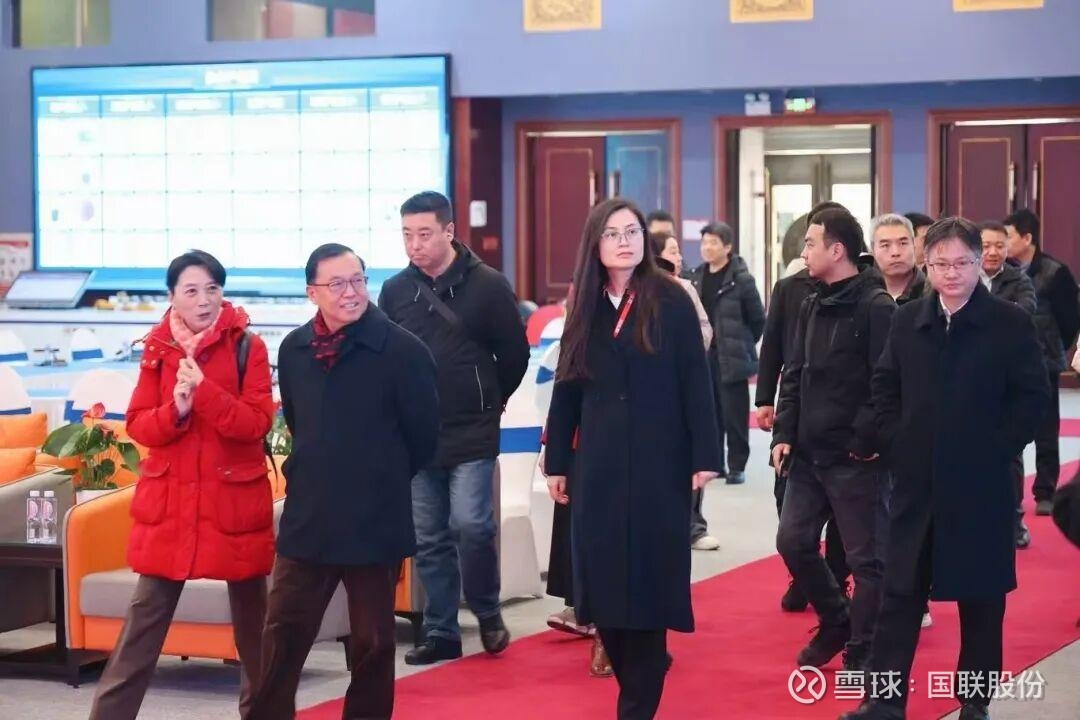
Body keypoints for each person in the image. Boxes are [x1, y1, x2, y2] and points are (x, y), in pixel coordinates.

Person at [842, 218, 1048, 720]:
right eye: (940, 264)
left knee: (982, 600)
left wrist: (995, 449)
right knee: (899, 594)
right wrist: (897, 442)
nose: (951, 273)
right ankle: (885, 700)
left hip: (982, 485)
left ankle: (974, 701)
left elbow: (1032, 401)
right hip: (916, 483)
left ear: (981, 263)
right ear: (926, 265)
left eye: (962, 263)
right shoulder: (908, 320)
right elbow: (884, 387)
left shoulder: (1009, 323)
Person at [244, 244, 439, 720]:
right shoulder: (295, 350)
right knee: (283, 633)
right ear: (312, 292)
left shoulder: (403, 351)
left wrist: (379, 474)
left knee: (373, 642)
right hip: (309, 514)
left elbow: (424, 437)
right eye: (336, 284)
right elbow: (299, 422)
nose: (350, 292)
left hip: (375, 517)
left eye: (357, 281)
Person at [544, 197, 721, 720]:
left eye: (633, 232)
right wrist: (558, 460)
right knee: (601, 589)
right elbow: (567, 387)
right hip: (597, 465)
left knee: (648, 585)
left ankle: (637, 704)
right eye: (613, 233)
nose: (625, 241)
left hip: (659, 463)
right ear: (595, 244)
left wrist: (705, 454)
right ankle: (636, 678)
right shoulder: (585, 303)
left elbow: (696, 381)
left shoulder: (670, 298)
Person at [89, 251, 274, 720]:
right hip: (171, 507)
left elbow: (256, 424)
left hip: (234, 507)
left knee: (257, 637)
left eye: (213, 289)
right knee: (140, 631)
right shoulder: (157, 348)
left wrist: (205, 394)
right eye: (191, 291)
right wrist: (178, 410)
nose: (204, 300)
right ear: (172, 296)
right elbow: (139, 424)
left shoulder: (248, 347)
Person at [379, 191, 530, 665]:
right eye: (407, 235)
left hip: (473, 428)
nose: (415, 245)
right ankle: (441, 630)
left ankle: (486, 610)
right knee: (429, 536)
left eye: (424, 234)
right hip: (418, 433)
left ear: (449, 231)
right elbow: (387, 359)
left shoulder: (488, 285)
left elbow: (515, 354)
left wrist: (490, 400)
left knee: (471, 524)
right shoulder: (395, 291)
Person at [772, 209, 896, 672]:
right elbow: (794, 372)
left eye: (810, 244)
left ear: (837, 250)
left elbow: (887, 383)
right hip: (808, 454)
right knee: (792, 541)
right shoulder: (810, 302)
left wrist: (863, 439)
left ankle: (864, 646)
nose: (804, 252)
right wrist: (785, 432)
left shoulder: (877, 306)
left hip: (855, 458)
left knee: (867, 562)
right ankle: (836, 619)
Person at [756, 201, 851, 612]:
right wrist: (765, 398)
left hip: (841, 426)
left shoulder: (866, 294)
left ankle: (834, 582)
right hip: (796, 416)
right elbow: (775, 350)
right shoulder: (791, 289)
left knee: (845, 519)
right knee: (788, 503)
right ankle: (805, 576)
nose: (806, 249)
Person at [1004, 208, 1080, 516]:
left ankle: (1045, 491)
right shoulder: (1004, 272)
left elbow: (1070, 319)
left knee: (1047, 429)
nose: (1002, 245)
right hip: (1008, 363)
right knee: (1009, 427)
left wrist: (1053, 347)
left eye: (1008, 237)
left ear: (1027, 238)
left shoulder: (1055, 272)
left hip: (1044, 361)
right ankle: (1011, 492)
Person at [652, 229, 718, 551]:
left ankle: (694, 525)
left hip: (681, 384)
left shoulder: (685, 290)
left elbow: (705, 329)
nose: (679, 257)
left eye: (678, 251)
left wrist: (685, 350)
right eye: (672, 251)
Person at [689, 221, 766, 486]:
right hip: (704, 355)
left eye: (713, 242)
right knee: (710, 413)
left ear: (728, 247)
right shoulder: (696, 277)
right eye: (704, 242)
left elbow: (758, 319)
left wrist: (742, 343)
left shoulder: (741, 279)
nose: (707, 248)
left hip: (732, 355)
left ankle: (737, 466)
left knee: (734, 415)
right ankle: (716, 464)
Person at [981, 220, 1038, 549]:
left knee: (1010, 454)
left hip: (1005, 380)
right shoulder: (963, 276)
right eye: (985, 246)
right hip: (964, 378)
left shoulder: (1019, 280)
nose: (992, 252)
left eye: (999, 246)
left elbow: (1024, 313)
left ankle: (1014, 518)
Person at [871, 214, 926, 304]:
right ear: (873, 250)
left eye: (903, 243)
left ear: (913, 245)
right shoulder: (862, 294)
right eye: (885, 245)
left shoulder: (933, 292)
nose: (895, 252)